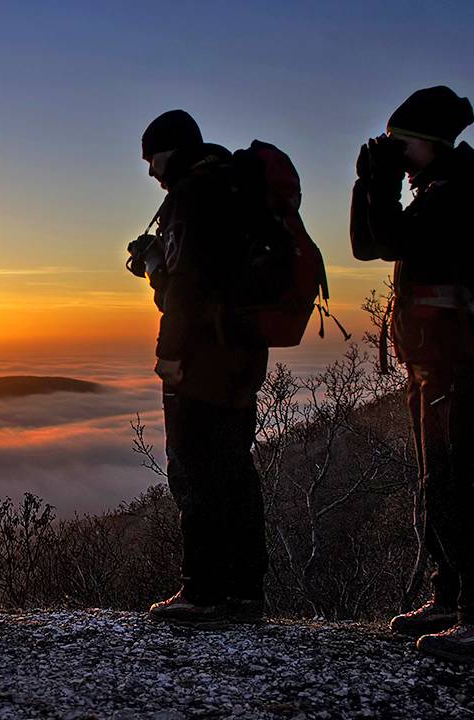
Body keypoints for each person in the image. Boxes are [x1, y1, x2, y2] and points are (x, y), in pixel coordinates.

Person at [350, 86, 474, 662]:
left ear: (429, 141)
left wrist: (379, 180)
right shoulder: (438, 190)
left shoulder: (460, 192)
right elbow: (368, 245)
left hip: (455, 360)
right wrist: (368, 180)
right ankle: (450, 599)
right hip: (433, 360)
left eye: (400, 142)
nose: (392, 150)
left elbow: (392, 238)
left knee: (450, 486)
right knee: (434, 484)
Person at [130, 109, 270, 625]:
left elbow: (183, 292)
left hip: (201, 359)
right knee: (235, 468)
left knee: (194, 471)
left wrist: (168, 354)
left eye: (153, 158)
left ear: (174, 149)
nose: (150, 171)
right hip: (242, 353)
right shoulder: (232, 189)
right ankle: (244, 592)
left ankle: (203, 592)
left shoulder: (190, 199)